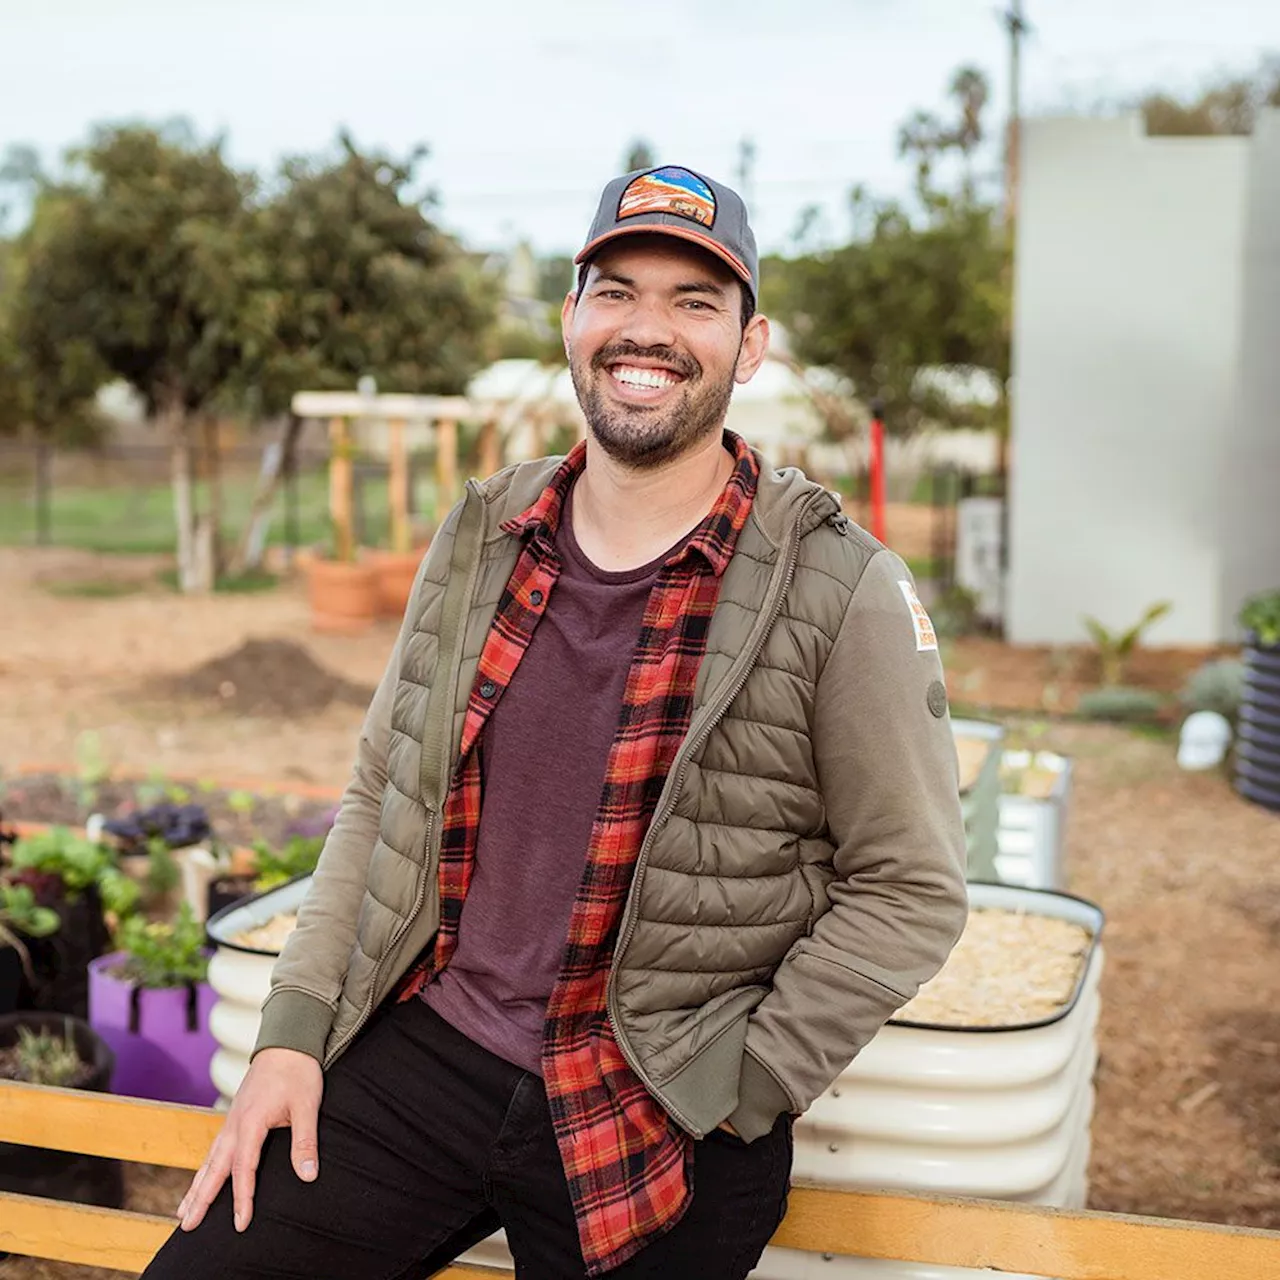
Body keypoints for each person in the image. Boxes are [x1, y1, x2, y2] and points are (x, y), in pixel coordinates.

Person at [148, 164, 968, 1280]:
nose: (648, 329)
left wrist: (746, 1083)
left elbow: (909, 884)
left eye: (694, 302)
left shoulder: (836, 584)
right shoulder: (485, 527)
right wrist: (291, 1038)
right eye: (617, 290)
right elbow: (383, 791)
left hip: (660, 1090)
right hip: (432, 1046)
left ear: (751, 342)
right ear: (571, 319)